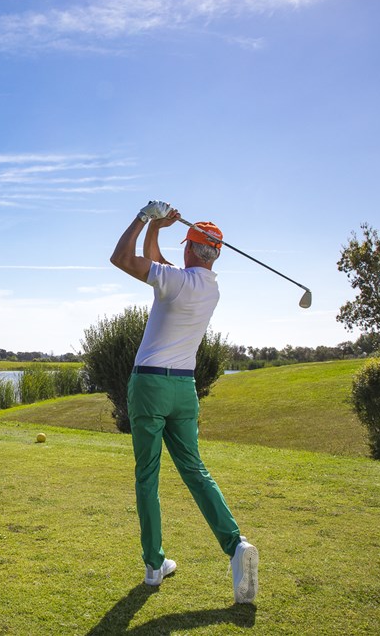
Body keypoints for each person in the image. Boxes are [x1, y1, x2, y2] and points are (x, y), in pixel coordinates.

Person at [109, 200, 258, 603]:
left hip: (150, 386)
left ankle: (154, 565)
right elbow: (159, 262)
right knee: (195, 470)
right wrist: (159, 228)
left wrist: (143, 218)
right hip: (184, 391)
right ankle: (235, 545)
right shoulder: (209, 288)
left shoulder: (175, 281)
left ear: (191, 248)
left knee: (147, 476)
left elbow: (122, 257)